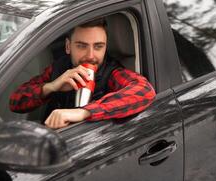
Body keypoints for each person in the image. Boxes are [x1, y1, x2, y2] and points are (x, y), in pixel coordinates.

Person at [9, 18, 156, 129]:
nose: (91, 56)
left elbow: (145, 91)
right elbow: (15, 102)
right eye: (81, 46)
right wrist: (51, 87)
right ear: (68, 46)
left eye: (98, 47)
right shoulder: (59, 68)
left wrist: (84, 112)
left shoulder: (112, 73)